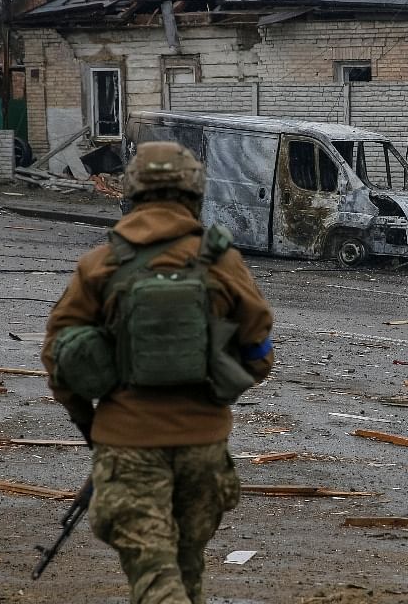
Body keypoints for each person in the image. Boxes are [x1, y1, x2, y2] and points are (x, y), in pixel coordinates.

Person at [42, 141, 274, 604]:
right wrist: (211, 392)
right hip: (203, 448)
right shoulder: (221, 260)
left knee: (154, 576)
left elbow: (59, 359)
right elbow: (260, 352)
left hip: (127, 444)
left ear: (132, 192)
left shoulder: (101, 263)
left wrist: (94, 428)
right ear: (194, 192)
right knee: (186, 565)